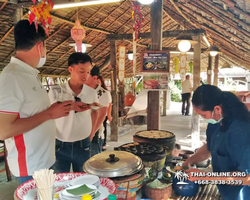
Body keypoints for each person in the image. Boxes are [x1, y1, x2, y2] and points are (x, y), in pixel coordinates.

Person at [0, 20, 72, 185]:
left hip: (44, 162)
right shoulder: (12, 77)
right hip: (31, 168)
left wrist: (56, 109)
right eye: (45, 47)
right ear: (40, 47)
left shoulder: (29, 74)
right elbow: (3, 131)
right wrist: (49, 114)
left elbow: (33, 111)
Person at [182, 84, 250, 200]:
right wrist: (189, 161)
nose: (203, 118)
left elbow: (246, 177)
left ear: (217, 109)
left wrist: (205, 176)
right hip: (226, 192)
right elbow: (210, 147)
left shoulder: (240, 132)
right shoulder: (217, 122)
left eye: (203, 115)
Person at [48, 53, 99, 173]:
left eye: (88, 72)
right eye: (82, 71)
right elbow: (48, 113)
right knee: (59, 182)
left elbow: (95, 112)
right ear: (70, 69)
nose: (85, 75)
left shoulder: (91, 93)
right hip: (60, 145)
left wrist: (91, 134)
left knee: (83, 181)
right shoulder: (56, 91)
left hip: (83, 144)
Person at [91, 75, 112, 156]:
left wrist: (109, 115)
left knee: (102, 127)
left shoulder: (104, 93)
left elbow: (109, 105)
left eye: (99, 81)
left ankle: (103, 143)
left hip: (101, 115)